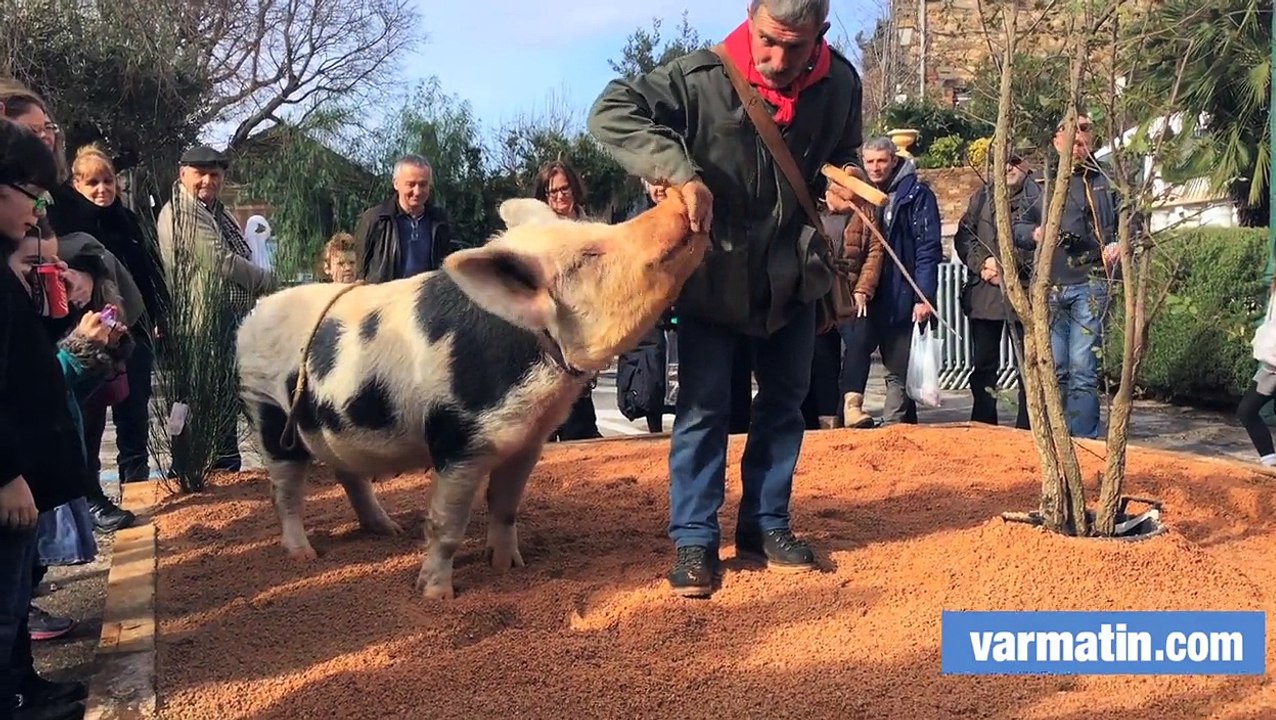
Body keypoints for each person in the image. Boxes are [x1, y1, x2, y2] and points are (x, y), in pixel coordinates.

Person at [587, 0, 864, 597]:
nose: (778, 58)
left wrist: (840, 183)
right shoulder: (697, 78)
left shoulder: (841, 82)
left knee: (785, 406)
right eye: (768, 40)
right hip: (714, 278)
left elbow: (839, 156)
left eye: (796, 45)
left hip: (793, 276)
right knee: (704, 411)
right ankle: (694, 539)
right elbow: (609, 111)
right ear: (751, 16)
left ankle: (767, 525)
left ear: (822, 31)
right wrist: (677, 170)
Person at [0, 119, 103, 720]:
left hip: (26, 468)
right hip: (9, 475)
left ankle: (22, 688)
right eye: (31, 194)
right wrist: (8, 472)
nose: (39, 213)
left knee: (14, 597)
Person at [1014, 113, 1124, 439]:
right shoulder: (1042, 185)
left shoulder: (1105, 180)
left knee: (1083, 367)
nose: (1077, 147)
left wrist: (1119, 243)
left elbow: (1129, 221)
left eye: (1083, 140)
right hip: (1052, 285)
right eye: (1071, 140)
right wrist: (1035, 233)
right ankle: (1057, 434)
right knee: (1057, 367)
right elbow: (1017, 227)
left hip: (1091, 283)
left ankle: (1084, 437)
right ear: (1056, 141)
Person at [838, 137, 942, 427]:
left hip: (901, 292)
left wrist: (924, 297)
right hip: (862, 294)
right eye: (869, 161)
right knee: (855, 353)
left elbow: (927, 249)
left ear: (894, 160)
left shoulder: (917, 195)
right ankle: (851, 420)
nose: (875, 167)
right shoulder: (857, 193)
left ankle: (895, 430)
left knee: (898, 368)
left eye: (881, 161)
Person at [953, 152, 1034, 429]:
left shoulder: (1038, 196)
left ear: (1027, 164)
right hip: (984, 293)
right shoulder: (982, 197)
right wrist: (983, 264)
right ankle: (982, 424)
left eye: (1016, 162)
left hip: (1024, 292)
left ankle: (1028, 426)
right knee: (984, 366)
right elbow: (965, 236)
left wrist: (1008, 268)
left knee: (1029, 368)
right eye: (1005, 162)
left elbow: (1045, 244)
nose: (1009, 168)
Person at [532, 160, 603, 441]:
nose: (560, 196)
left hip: (582, 326)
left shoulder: (594, 230)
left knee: (580, 417)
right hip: (547, 328)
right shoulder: (537, 234)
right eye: (553, 192)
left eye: (565, 189)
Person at [352, 154, 455, 283]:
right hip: (385, 299)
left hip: (426, 299)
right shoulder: (376, 219)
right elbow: (359, 269)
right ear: (396, 184)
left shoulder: (440, 221)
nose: (417, 191)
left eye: (423, 184)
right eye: (411, 184)